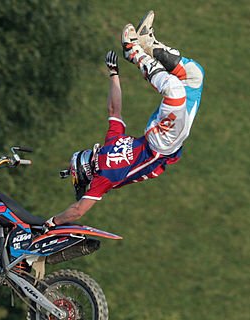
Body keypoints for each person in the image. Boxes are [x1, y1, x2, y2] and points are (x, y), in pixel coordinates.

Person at [47, 10, 205, 229]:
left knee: (193, 74)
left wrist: (114, 75)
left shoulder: (108, 146)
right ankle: (134, 52)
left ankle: (148, 44)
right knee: (179, 88)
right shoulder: (104, 178)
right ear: (84, 167)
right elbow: (77, 211)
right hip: (161, 146)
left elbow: (114, 110)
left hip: (160, 133)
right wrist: (52, 222)